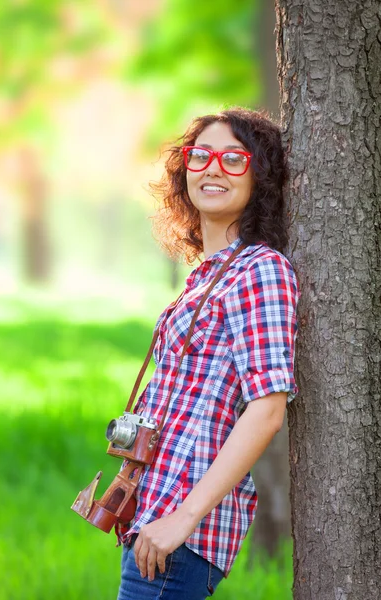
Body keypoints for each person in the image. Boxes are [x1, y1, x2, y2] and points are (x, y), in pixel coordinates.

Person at [117, 107, 299, 600]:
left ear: (259, 178)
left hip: (182, 532)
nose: (213, 167)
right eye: (201, 156)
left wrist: (182, 517)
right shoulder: (208, 273)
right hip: (155, 519)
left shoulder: (260, 270)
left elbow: (266, 410)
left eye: (233, 159)